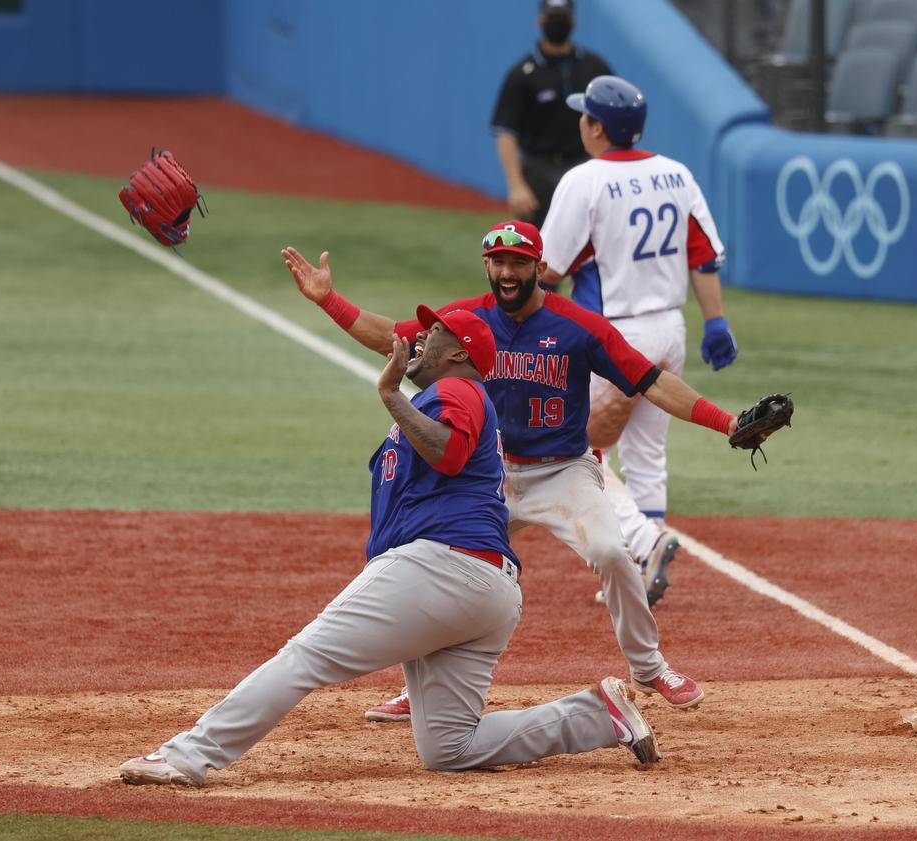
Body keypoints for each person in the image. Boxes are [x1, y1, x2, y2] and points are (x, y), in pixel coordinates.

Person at [119, 305, 662, 785]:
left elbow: (448, 453)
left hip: (442, 568)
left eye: (436, 332)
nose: (421, 337)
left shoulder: (459, 391)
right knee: (450, 747)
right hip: (485, 589)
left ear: (459, 355)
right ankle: (596, 717)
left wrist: (389, 395)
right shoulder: (443, 395)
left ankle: (188, 756)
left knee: (306, 655)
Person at [283, 221, 751, 725]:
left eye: (519, 263)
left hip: (564, 472)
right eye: (498, 262)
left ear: (539, 268)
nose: (507, 272)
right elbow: (392, 339)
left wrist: (726, 423)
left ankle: (649, 667)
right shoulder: (465, 320)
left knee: (612, 553)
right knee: (434, 562)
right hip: (489, 476)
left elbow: (653, 382)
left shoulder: (579, 326)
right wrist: (328, 300)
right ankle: (415, 688)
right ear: (487, 265)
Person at [539, 75, 738, 607]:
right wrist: (715, 321)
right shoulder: (676, 173)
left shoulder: (584, 180)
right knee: (646, 451)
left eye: (585, 116)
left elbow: (549, 269)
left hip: (616, 335)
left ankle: (645, 541)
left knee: (571, 448)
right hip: (670, 328)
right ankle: (640, 567)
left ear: (597, 127)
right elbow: (703, 253)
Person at [492, 0, 612, 227]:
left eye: (562, 19)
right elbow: (506, 133)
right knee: (539, 247)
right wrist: (516, 185)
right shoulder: (523, 73)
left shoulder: (595, 67)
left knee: (591, 241)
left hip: (584, 164)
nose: (558, 25)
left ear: (573, 22)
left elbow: (613, 123)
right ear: (540, 21)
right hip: (539, 171)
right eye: (553, 19)